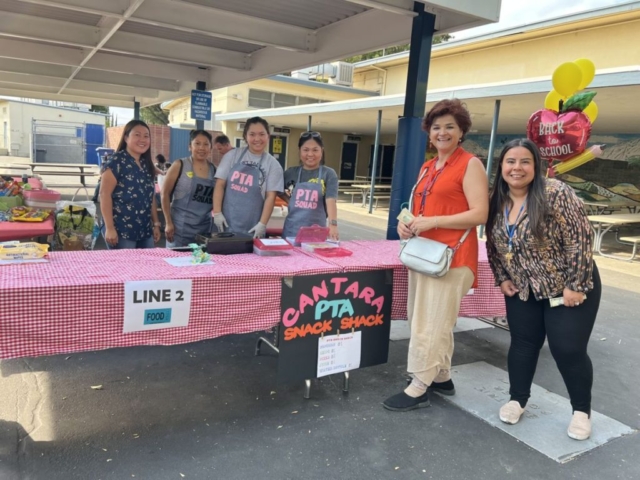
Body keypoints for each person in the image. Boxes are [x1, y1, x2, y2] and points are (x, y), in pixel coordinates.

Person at [485, 138, 601, 441]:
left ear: (536, 166)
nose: (517, 168)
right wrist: (501, 276)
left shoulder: (555, 192)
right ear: (501, 166)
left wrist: (576, 285)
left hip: (566, 287)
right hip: (524, 288)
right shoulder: (496, 198)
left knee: (567, 348)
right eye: (511, 161)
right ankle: (517, 399)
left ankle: (581, 411)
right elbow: (493, 244)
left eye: (525, 161)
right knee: (523, 344)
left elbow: (580, 239)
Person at [383, 99, 489, 412]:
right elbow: (419, 210)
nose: (442, 132)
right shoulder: (428, 167)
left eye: (450, 127)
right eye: (436, 127)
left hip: (452, 257)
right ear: (429, 132)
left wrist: (433, 222)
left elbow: (480, 213)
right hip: (424, 253)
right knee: (425, 318)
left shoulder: (470, 164)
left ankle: (419, 385)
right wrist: (407, 225)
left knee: (431, 322)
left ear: (461, 131)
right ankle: (441, 376)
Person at [212, 117, 284, 238]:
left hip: (253, 229)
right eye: (252, 134)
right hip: (225, 224)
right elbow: (220, 185)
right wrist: (217, 213)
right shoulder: (231, 156)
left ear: (268, 136)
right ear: (245, 136)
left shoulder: (273, 165)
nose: (257, 139)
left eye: (262, 134)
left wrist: (262, 224)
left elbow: (270, 197)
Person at [99, 120, 161, 249]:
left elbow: (150, 196)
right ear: (126, 138)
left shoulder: (146, 164)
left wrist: (156, 223)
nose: (142, 139)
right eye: (137, 135)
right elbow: (104, 195)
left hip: (145, 230)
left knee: (148, 261)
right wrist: (109, 228)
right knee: (126, 263)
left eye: (146, 136)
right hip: (121, 230)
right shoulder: (116, 161)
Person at [161, 130, 216, 248]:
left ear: (210, 148)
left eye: (206, 144)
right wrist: (168, 222)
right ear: (190, 146)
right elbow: (164, 194)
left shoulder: (214, 170)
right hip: (179, 228)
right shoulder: (179, 165)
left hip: (204, 229)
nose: (201, 148)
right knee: (178, 258)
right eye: (197, 143)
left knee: (201, 259)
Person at [281, 132, 339, 241]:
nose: (310, 154)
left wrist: (333, 225)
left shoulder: (329, 174)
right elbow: (276, 190)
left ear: (322, 150)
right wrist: (289, 200)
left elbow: (331, 200)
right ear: (300, 151)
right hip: (291, 232)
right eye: (306, 150)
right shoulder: (290, 173)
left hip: (316, 234)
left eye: (315, 150)